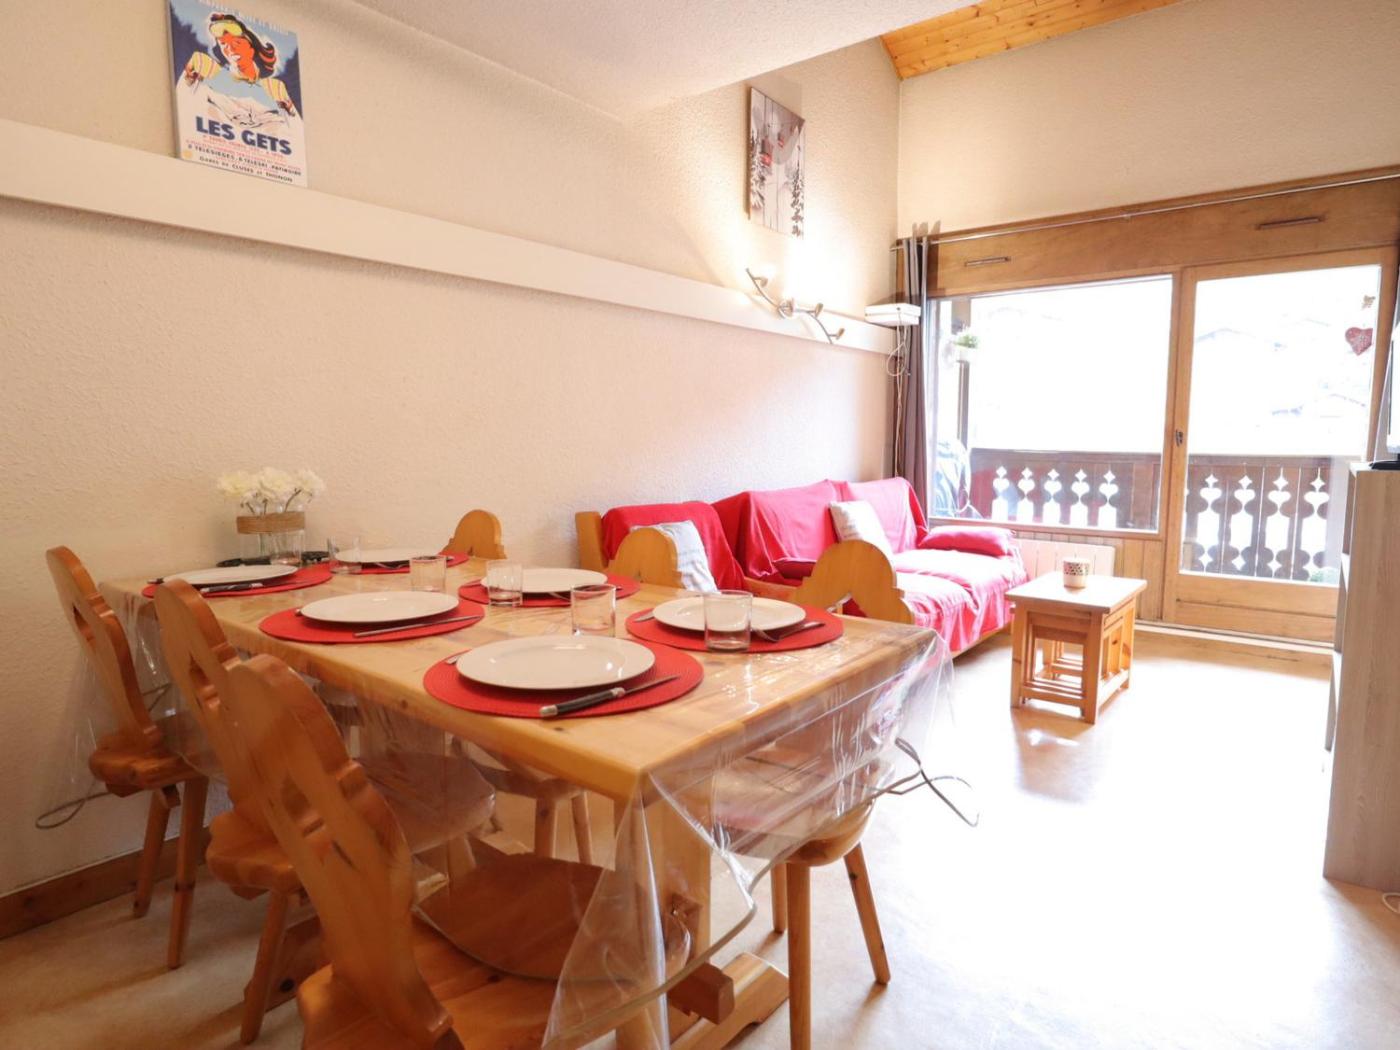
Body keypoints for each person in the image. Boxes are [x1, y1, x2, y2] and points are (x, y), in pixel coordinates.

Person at [180, 12, 299, 128]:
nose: (230, 49)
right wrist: (188, 80)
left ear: (252, 47)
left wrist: (290, 111)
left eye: (236, 42)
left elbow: (295, 132)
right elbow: (183, 107)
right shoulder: (206, 66)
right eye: (223, 44)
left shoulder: (275, 88)